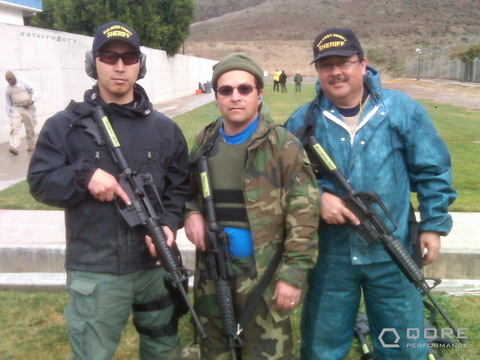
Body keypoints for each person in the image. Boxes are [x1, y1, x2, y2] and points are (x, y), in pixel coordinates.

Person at [284, 28, 457, 360]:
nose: (335, 71)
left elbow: (433, 170)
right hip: (329, 258)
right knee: (322, 349)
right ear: (317, 71)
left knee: (402, 348)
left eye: (344, 62)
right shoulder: (302, 122)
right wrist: (317, 198)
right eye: (326, 64)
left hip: (392, 253)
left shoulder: (400, 110)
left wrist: (434, 225)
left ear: (363, 65)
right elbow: (285, 181)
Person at [27, 21, 191, 360]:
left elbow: (179, 188)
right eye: (109, 56)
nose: (119, 65)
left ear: (140, 65)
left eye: (129, 57)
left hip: (154, 266)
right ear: (93, 63)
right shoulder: (64, 127)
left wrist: (168, 225)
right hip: (96, 270)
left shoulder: (165, 129)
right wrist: (83, 177)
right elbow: (41, 183)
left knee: (164, 348)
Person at [184, 53, 320, 359]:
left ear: (259, 95)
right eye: (226, 90)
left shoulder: (283, 145)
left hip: (264, 276)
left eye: (244, 89)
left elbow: (305, 214)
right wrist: (191, 213)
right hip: (212, 274)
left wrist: (293, 275)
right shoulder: (204, 142)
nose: (235, 97)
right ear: (216, 95)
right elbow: (188, 191)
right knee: (214, 349)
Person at [5, 70, 39, 155]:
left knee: (29, 127)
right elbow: (8, 102)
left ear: (14, 78)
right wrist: (10, 114)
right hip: (16, 108)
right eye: (8, 80)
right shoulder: (8, 89)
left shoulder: (24, 83)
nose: (9, 81)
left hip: (28, 106)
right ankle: (14, 147)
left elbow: (34, 90)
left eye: (10, 79)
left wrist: (32, 100)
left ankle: (31, 144)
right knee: (15, 127)